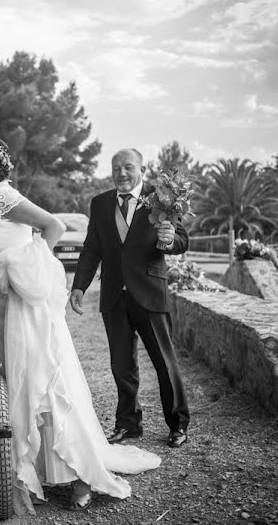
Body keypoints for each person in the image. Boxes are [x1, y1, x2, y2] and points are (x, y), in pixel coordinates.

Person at [0, 133, 161, 515]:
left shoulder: (2, 195)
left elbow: (52, 227)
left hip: (24, 302)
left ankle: (82, 474)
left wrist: (28, 268)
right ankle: (21, 469)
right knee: (14, 383)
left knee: (45, 380)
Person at [69, 148, 190, 449]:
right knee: (121, 365)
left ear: (142, 168)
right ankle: (128, 424)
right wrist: (79, 286)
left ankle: (177, 424)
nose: (121, 173)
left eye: (128, 167)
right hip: (113, 295)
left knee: (164, 361)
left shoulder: (162, 196)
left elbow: (182, 239)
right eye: (116, 168)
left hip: (149, 291)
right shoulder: (99, 204)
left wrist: (170, 239)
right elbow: (91, 249)